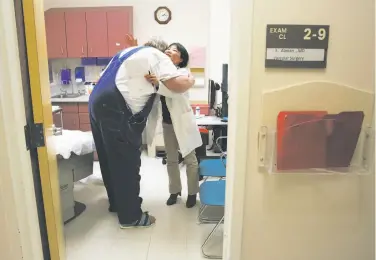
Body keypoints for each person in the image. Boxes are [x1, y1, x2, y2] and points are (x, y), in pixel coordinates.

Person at [89, 38, 195, 229]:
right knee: (126, 162)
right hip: (117, 109)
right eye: (168, 50)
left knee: (108, 158)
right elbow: (178, 85)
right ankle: (131, 217)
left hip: (97, 102)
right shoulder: (158, 56)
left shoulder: (128, 52)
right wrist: (190, 81)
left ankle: (117, 203)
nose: (170, 53)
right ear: (162, 51)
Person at [145, 43, 202, 208]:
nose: (169, 51)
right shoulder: (160, 72)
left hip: (183, 122)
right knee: (171, 159)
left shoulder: (183, 73)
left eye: (175, 50)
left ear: (181, 58)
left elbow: (174, 91)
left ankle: (192, 193)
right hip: (168, 123)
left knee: (190, 159)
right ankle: (174, 191)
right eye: (168, 49)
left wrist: (158, 84)